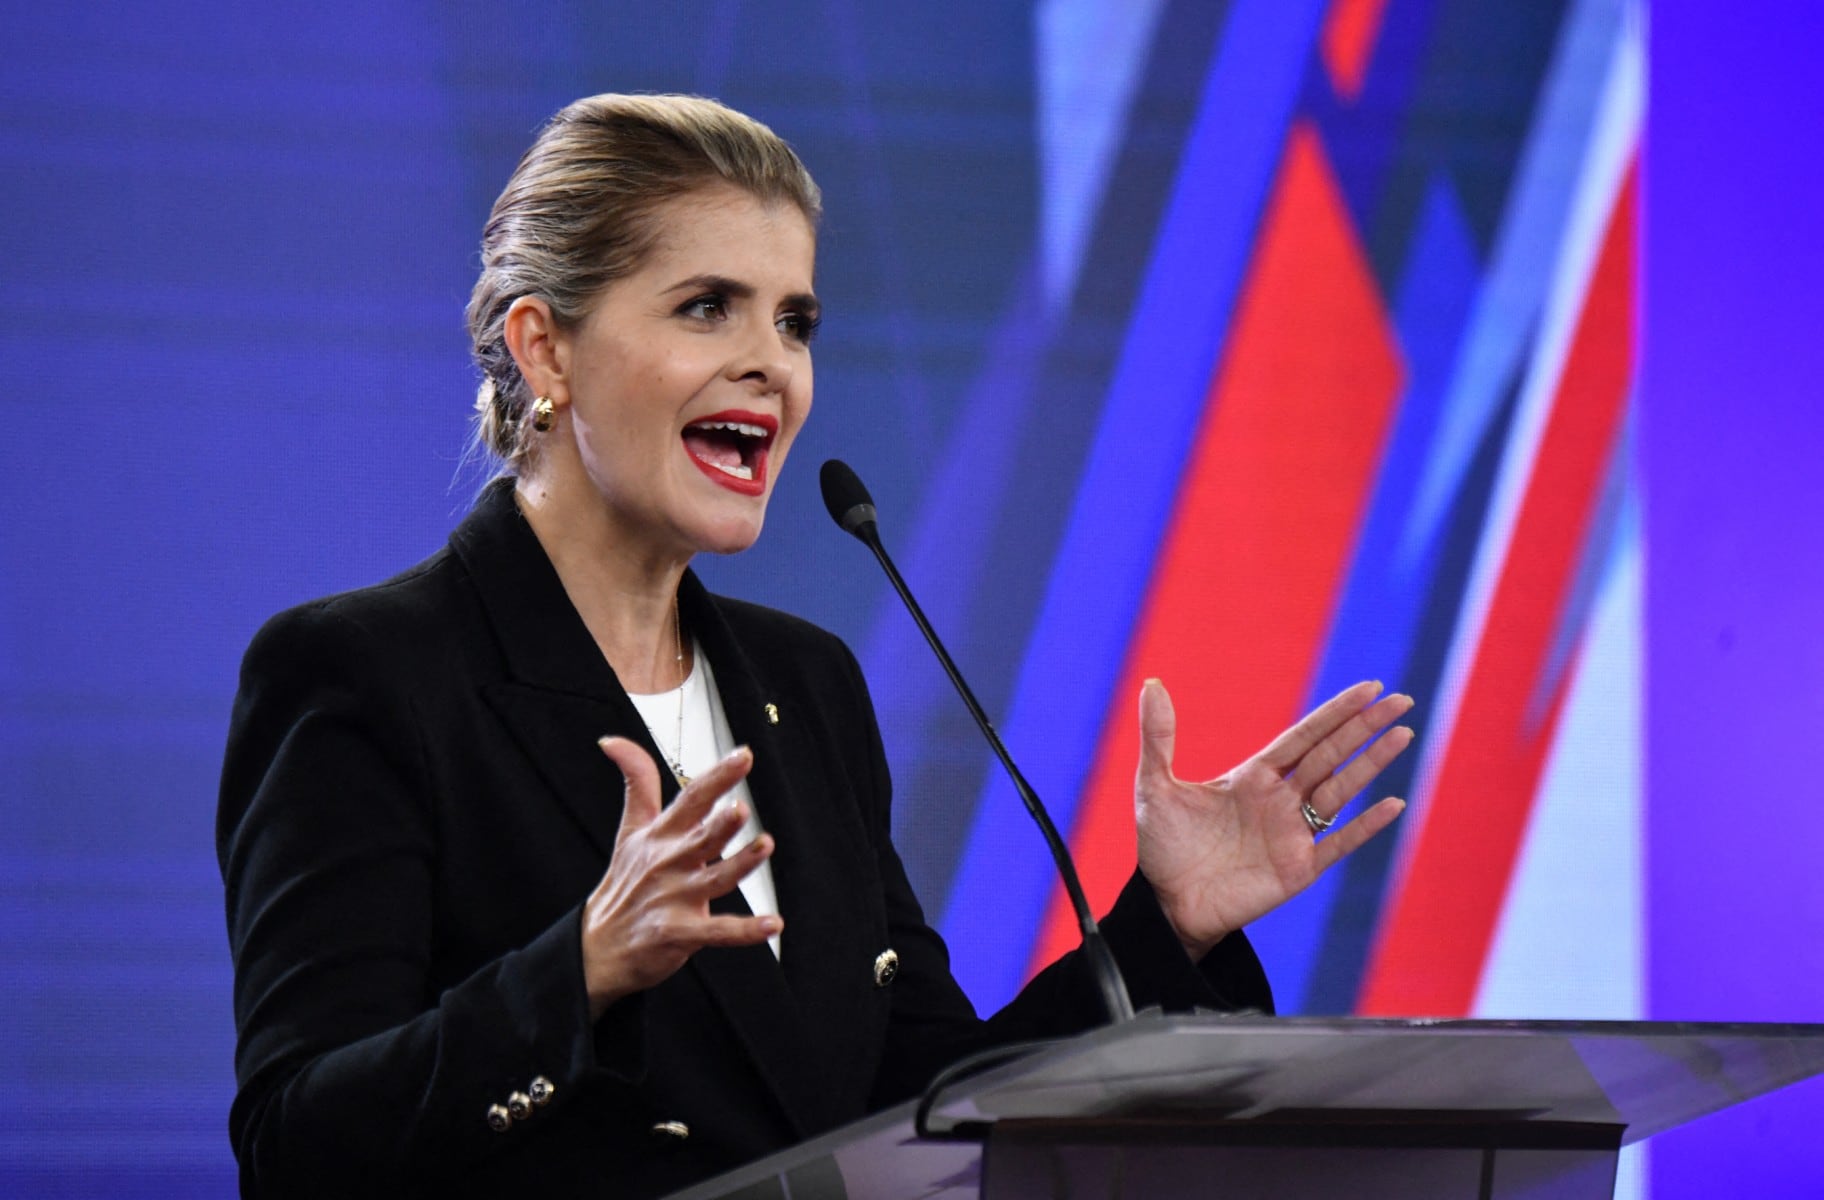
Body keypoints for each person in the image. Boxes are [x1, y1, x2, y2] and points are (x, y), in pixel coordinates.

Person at [217, 93, 1414, 1199]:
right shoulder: (367, 676)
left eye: (794, 320)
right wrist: (577, 970)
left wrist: (1167, 926)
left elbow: (922, 1105)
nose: (772, 363)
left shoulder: (806, 686)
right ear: (546, 350)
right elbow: (296, 1145)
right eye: (706, 307)